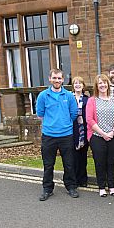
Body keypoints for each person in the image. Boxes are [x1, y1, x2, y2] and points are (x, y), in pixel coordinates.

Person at [36, 68, 79, 201]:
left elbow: (74, 113)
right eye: (54, 78)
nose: (57, 80)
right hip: (49, 135)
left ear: (63, 80)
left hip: (66, 135)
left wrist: (64, 123)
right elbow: (40, 114)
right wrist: (52, 125)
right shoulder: (43, 96)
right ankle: (47, 189)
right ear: (50, 79)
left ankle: (71, 186)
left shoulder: (69, 96)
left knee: (69, 163)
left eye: (59, 78)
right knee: (48, 164)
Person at [86, 74, 114, 197]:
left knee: (111, 162)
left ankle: (111, 186)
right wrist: (103, 133)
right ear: (96, 85)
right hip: (97, 136)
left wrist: (112, 132)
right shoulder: (92, 101)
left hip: (112, 136)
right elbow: (89, 120)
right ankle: (101, 186)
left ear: (108, 84)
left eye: (105, 82)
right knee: (100, 162)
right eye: (100, 83)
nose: (103, 85)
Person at [72, 76, 89, 187]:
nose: (78, 85)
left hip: (84, 130)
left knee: (83, 156)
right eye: (75, 83)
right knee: (73, 157)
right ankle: (74, 180)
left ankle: (83, 179)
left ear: (83, 86)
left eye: (80, 83)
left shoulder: (87, 99)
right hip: (72, 130)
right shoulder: (69, 98)